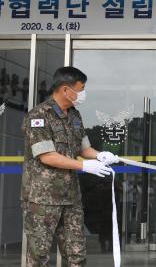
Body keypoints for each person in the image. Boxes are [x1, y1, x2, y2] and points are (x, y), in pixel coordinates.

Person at [22, 66, 120, 267]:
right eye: (81, 88)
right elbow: (47, 156)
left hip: (71, 197)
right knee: (39, 256)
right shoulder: (38, 116)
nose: (83, 94)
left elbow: (84, 148)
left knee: (76, 254)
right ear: (66, 89)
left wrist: (100, 155)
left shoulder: (75, 116)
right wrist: (84, 167)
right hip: (43, 199)